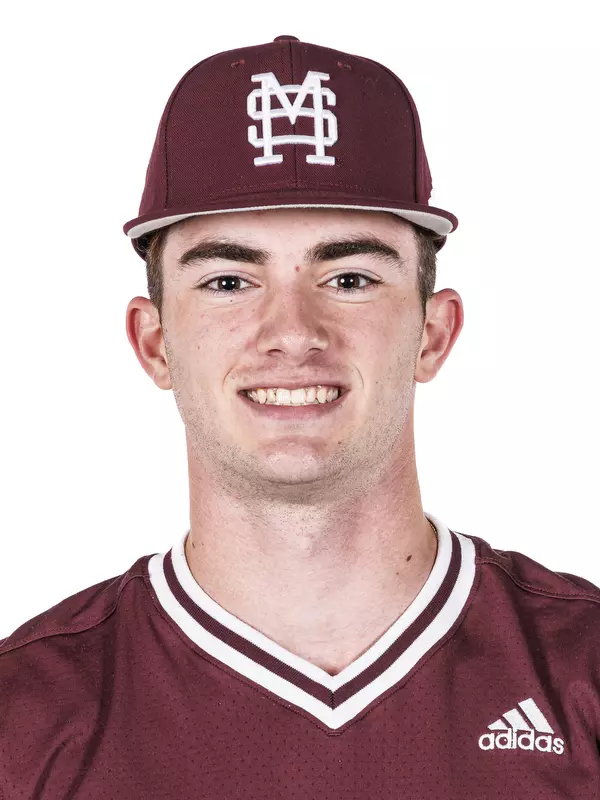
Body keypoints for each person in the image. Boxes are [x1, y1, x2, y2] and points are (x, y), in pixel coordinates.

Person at [1, 34, 599, 799]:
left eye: (348, 276)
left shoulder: (582, 675)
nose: (291, 331)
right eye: (227, 281)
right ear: (154, 343)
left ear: (435, 332)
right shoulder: (25, 717)